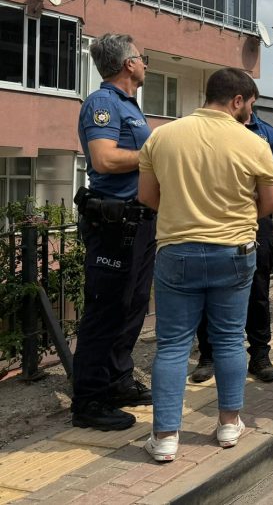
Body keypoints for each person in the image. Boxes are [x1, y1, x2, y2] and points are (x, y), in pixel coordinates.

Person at [137, 67, 273, 463]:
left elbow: (148, 197)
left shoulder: (162, 135)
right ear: (237, 100)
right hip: (233, 251)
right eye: (248, 105)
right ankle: (229, 424)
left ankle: (165, 437)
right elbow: (271, 204)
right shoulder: (253, 143)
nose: (249, 113)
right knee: (231, 339)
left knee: (171, 345)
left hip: (176, 251)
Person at [71, 33, 157, 431]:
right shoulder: (102, 103)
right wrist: (158, 154)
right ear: (127, 64)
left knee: (133, 304)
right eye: (141, 57)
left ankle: (118, 380)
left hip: (138, 221)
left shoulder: (130, 106)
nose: (145, 64)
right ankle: (88, 400)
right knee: (105, 311)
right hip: (112, 224)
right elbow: (104, 160)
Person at [190, 110, 273, 384]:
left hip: (258, 220)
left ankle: (259, 354)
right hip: (216, 220)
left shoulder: (266, 132)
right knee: (210, 288)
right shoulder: (207, 129)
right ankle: (208, 355)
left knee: (258, 290)